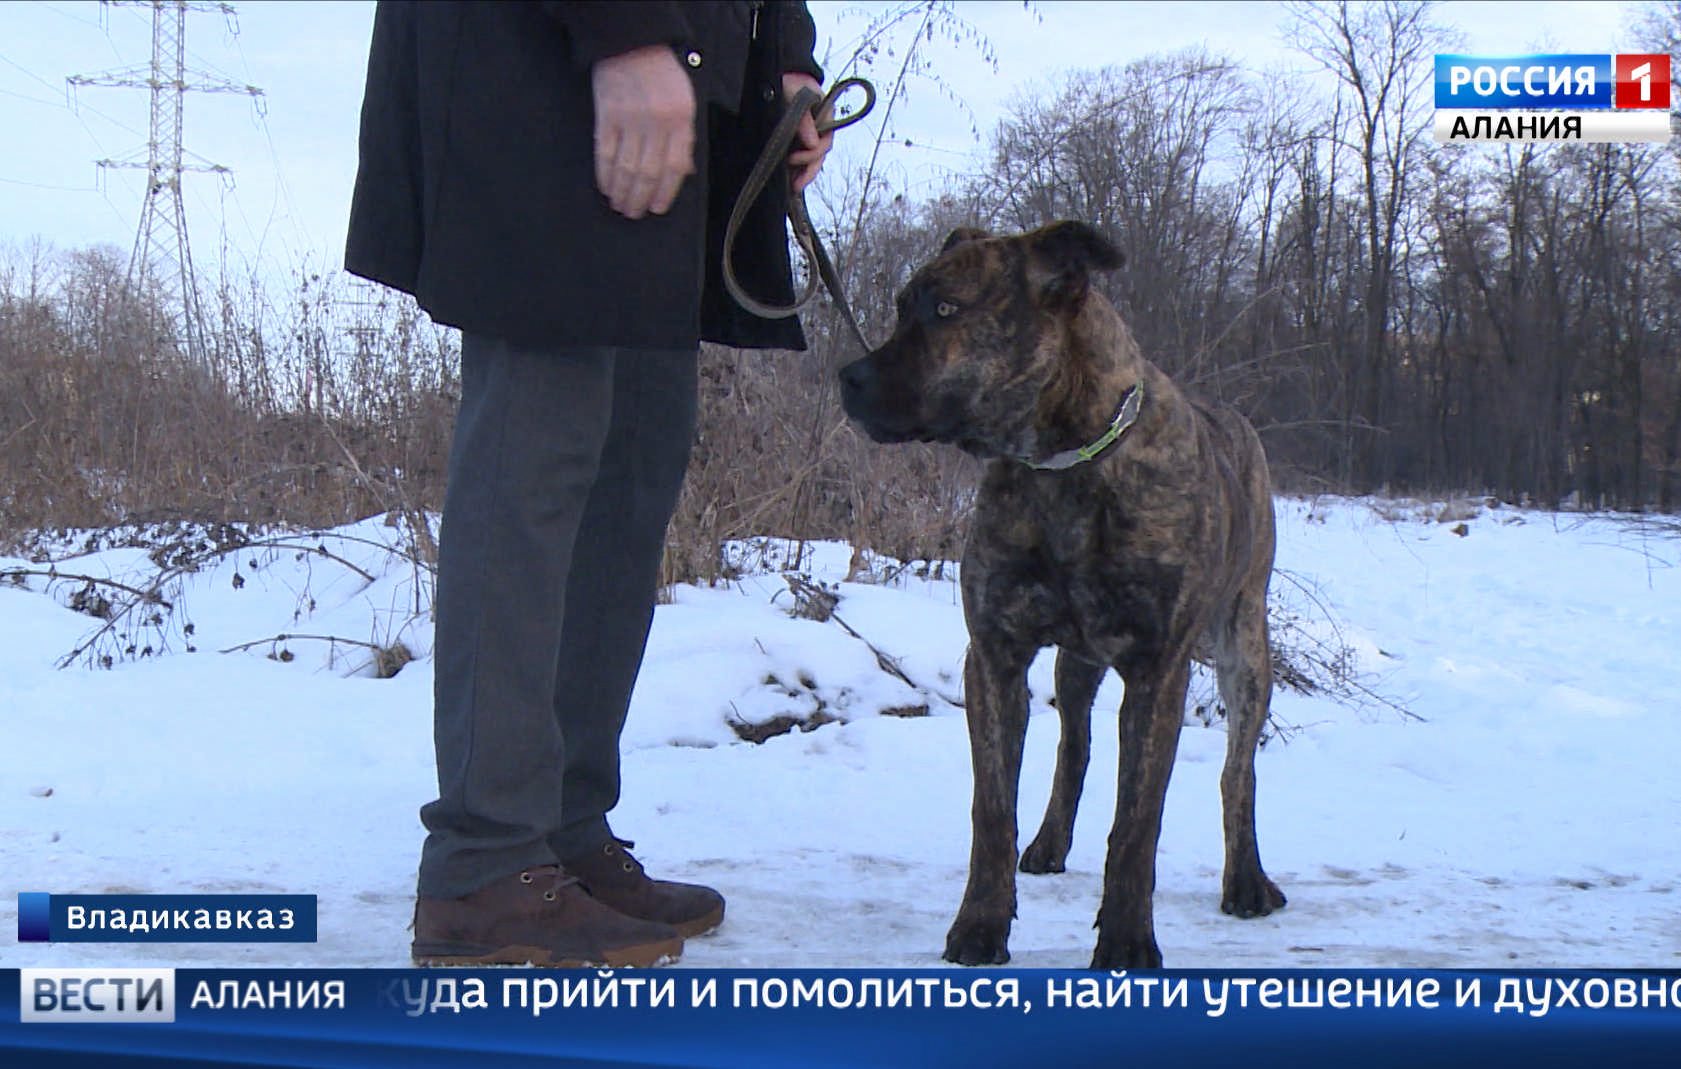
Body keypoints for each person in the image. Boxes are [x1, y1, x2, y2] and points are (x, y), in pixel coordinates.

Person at [345, 1, 831, 967]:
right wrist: (624, 30)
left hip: (684, 65)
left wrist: (786, 60)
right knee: (541, 442)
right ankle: (486, 864)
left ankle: (560, 831)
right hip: (554, 56)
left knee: (637, 449)